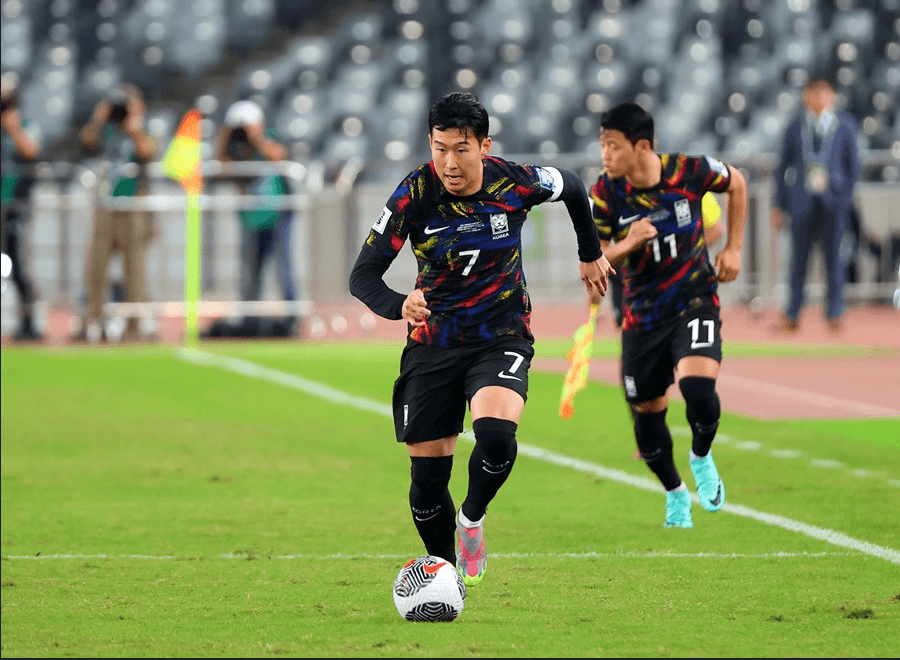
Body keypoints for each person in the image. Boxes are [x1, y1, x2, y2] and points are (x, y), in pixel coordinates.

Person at [349, 91, 613, 585]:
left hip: (501, 334)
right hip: (433, 342)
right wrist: (398, 305)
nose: (449, 162)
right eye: (439, 148)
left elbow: (575, 186)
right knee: (427, 484)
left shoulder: (514, 181)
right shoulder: (414, 193)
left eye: (461, 149)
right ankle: (444, 576)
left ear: (484, 146)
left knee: (494, 435)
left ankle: (472, 517)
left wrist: (589, 251)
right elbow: (363, 276)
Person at [589, 101, 747, 529]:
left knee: (698, 387)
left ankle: (700, 455)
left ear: (642, 147)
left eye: (613, 146)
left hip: (694, 298)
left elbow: (738, 183)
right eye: (602, 145)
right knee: (647, 409)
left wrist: (732, 247)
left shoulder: (689, 171)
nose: (605, 155)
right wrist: (627, 244)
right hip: (642, 315)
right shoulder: (605, 193)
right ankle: (675, 492)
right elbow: (595, 262)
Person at [770, 78, 861, 333]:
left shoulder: (844, 126)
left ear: (832, 96)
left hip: (833, 203)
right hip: (802, 202)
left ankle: (834, 313)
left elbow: (854, 165)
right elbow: (781, 167)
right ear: (805, 97)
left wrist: (844, 196)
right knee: (798, 261)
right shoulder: (796, 127)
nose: (819, 98)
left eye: (824, 92)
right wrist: (778, 204)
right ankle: (792, 314)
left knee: (835, 259)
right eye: (813, 93)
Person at [75, 83, 158, 343]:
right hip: (107, 203)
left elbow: (149, 153)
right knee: (96, 267)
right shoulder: (107, 130)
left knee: (133, 269)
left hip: (133, 205)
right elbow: (86, 142)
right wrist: (100, 118)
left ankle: (133, 325)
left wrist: (134, 128)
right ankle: (91, 322)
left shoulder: (144, 129)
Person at [210, 100, 297, 338]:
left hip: (278, 214)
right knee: (251, 271)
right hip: (251, 217)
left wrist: (255, 137)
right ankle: (250, 317)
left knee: (284, 268)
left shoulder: (269, 137)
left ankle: (292, 318)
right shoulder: (234, 148)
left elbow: (279, 155)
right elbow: (220, 167)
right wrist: (228, 137)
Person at [1, 74, 43, 342]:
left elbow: (31, 152)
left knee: (18, 268)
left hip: (14, 206)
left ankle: (28, 321)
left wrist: (13, 128)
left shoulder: (25, 125)